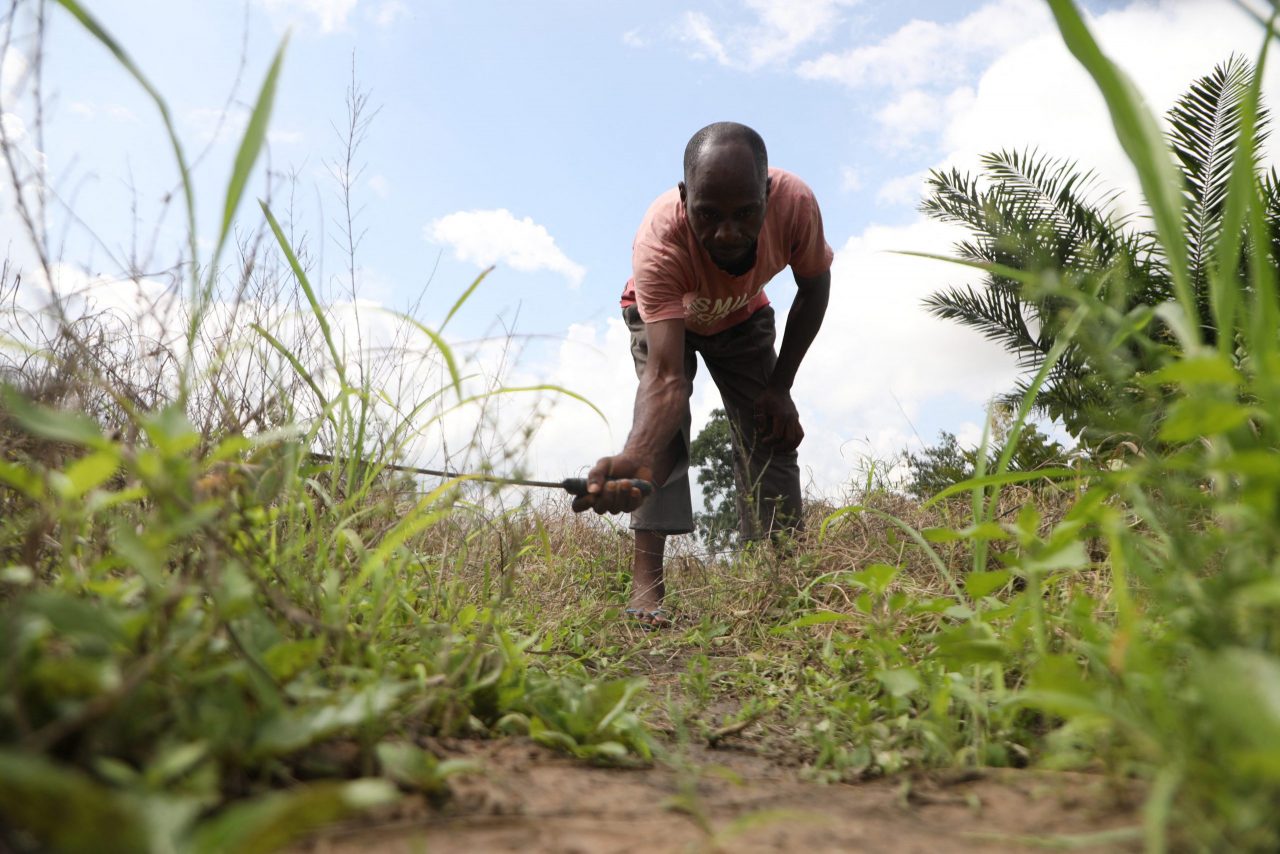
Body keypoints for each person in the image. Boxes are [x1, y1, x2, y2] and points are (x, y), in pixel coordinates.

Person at [572, 121, 833, 629]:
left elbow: (814, 286)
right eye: (708, 215)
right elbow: (666, 377)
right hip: (664, 320)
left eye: (745, 213)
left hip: (742, 314)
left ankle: (784, 574)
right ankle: (647, 585)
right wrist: (638, 454)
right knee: (663, 435)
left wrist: (780, 388)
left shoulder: (796, 204)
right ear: (685, 197)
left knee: (771, 431)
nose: (727, 233)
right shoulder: (659, 242)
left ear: (767, 194)